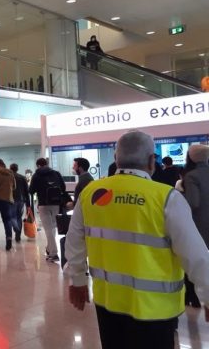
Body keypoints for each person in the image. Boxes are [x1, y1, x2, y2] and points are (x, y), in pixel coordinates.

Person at [65, 131, 209, 349]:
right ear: (152, 160)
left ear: (116, 159)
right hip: (155, 309)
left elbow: (74, 241)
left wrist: (77, 280)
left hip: (108, 303)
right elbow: (195, 256)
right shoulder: (166, 197)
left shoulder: (91, 192)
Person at [182, 145, 209, 308]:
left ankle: (192, 297)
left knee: (192, 260)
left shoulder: (192, 176)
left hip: (199, 225)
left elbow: (193, 202)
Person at [29, 158, 65, 262]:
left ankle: (53, 253)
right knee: (53, 227)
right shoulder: (56, 173)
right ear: (47, 164)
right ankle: (49, 249)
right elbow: (63, 187)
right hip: (56, 204)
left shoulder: (37, 175)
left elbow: (31, 190)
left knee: (48, 229)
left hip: (43, 204)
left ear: (38, 165)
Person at [9, 163, 31, 242]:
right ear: (17, 169)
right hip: (21, 200)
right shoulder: (22, 177)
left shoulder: (9, 177)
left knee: (12, 216)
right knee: (19, 217)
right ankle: (18, 236)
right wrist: (28, 204)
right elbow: (26, 191)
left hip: (12, 200)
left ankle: (15, 228)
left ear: (10, 168)